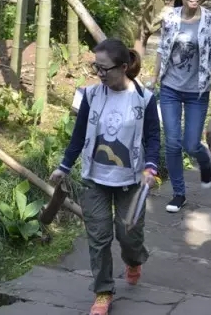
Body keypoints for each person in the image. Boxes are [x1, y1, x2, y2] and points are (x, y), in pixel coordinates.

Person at [50, 39, 161, 315]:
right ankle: (103, 291)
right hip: (94, 178)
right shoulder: (90, 95)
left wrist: (150, 167)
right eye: (95, 67)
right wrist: (64, 166)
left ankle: (134, 260)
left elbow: (152, 137)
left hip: (130, 181)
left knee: (129, 236)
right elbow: (78, 136)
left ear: (123, 67)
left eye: (104, 69)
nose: (99, 74)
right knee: (98, 238)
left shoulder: (144, 98)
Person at [151, 0, 211, 213]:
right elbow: (162, 50)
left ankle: (203, 159)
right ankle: (178, 193)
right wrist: (153, 78)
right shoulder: (170, 18)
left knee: (191, 144)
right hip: (170, 89)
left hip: (198, 91)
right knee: (172, 143)